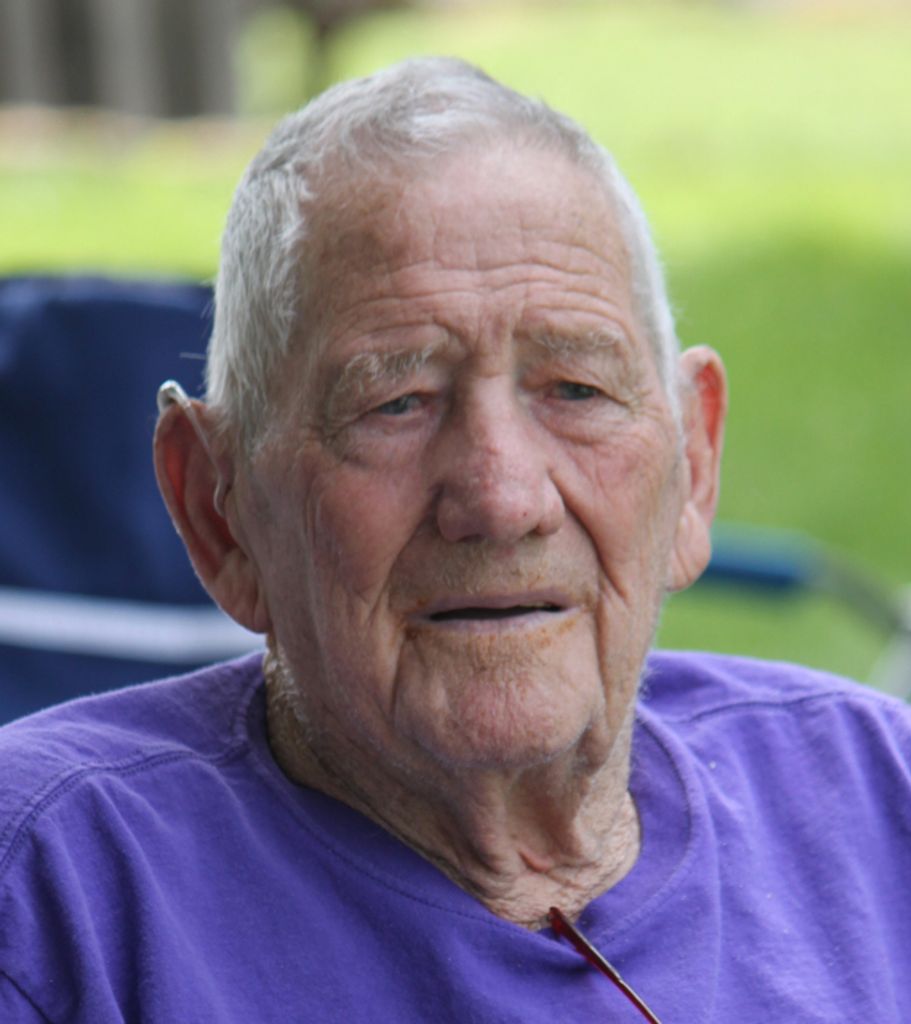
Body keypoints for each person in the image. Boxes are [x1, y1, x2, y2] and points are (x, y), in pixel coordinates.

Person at [1, 57, 910, 1023]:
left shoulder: (877, 802)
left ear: (694, 464)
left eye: (576, 390)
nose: (502, 498)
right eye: (396, 402)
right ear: (218, 510)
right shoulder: (56, 905)